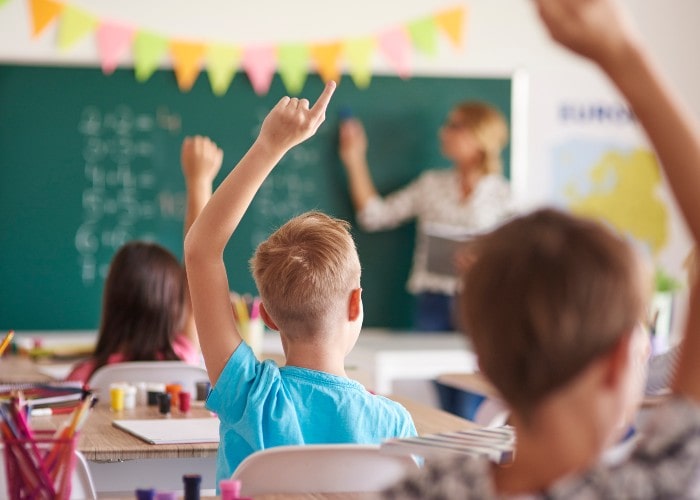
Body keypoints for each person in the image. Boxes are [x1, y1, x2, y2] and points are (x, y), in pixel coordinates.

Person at [380, 0, 700, 497]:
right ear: (622, 361)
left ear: (480, 361)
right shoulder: (649, 487)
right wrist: (623, 54)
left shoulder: (422, 492)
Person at [184, 81, 417, 486]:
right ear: (355, 304)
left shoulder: (249, 396)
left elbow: (201, 251)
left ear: (268, 316)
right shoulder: (394, 426)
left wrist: (269, 145)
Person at [339, 101, 513, 331]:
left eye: (455, 126)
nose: (443, 132)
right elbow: (373, 216)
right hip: (432, 303)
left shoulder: (504, 196)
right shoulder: (431, 185)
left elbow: (519, 257)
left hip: (483, 300)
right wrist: (354, 159)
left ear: (479, 136)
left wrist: (485, 260)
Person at [67, 136, 223, 383]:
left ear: (112, 302)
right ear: (175, 304)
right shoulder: (185, 358)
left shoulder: (85, 378)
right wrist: (199, 182)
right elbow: (198, 272)